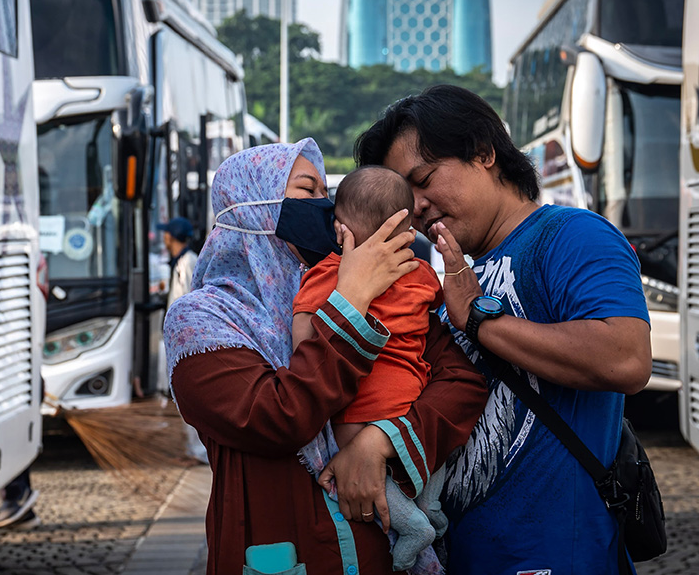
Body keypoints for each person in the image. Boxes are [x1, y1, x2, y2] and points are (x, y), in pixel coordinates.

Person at [354, 84, 652, 574]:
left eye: (425, 178)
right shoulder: (458, 276)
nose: (418, 205)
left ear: (484, 152)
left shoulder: (573, 235)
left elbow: (626, 358)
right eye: (406, 195)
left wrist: (476, 317)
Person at [164, 139, 487, 574]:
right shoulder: (201, 320)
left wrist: (380, 442)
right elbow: (277, 418)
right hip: (287, 553)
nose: (327, 206)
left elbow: (461, 384)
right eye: (307, 190)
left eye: (325, 192)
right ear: (252, 206)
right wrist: (349, 300)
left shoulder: (380, 292)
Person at [289, 166, 446, 571]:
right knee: (421, 448)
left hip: (365, 398)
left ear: (340, 231)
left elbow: (305, 338)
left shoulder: (326, 274)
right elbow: (435, 313)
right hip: (413, 392)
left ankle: (413, 525)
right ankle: (430, 503)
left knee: (351, 448)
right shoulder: (422, 274)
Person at [156, 216, 206, 463]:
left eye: (166, 234)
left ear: (170, 237)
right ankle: (189, 449)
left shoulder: (189, 262)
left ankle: (197, 451)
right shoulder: (179, 263)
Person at [159, 216, 199, 307]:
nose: (164, 236)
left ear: (171, 236)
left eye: (166, 232)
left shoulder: (188, 261)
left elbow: (190, 298)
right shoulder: (179, 261)